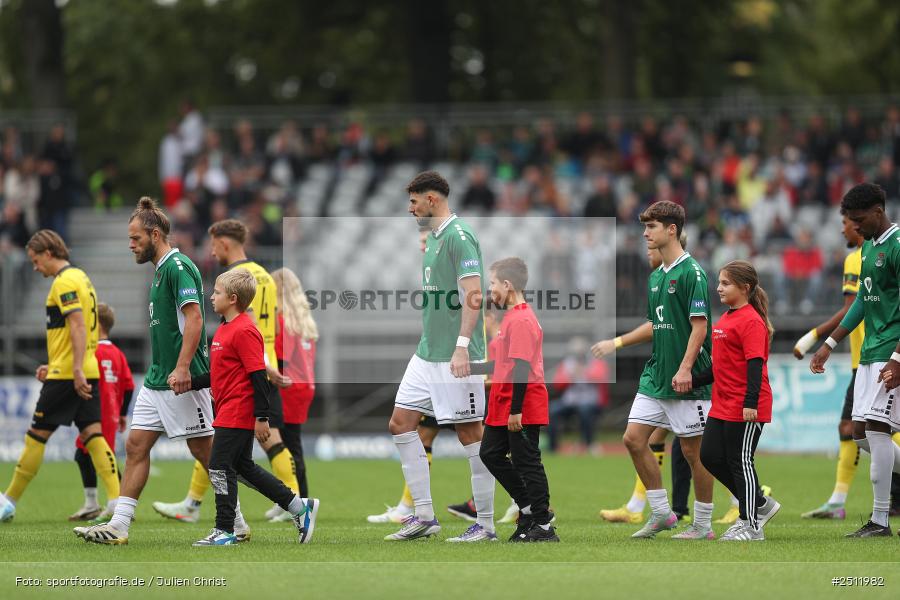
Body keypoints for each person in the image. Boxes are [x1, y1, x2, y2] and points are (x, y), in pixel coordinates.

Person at [75, 197, 249, 545]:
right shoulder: (160, 271)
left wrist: (183, 368)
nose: (131, 244)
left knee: (207, 454)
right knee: (136, 446)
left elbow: (194, 319)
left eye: (135, 238)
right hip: (158, 380)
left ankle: (238, 522)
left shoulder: (178, 266)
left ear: (155, 235)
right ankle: (119, 526)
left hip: (182, 380)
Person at [152, 219, 299, 523]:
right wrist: (194, 382)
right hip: (250, 373)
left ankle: (226, 520)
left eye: (214, 244)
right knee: (240, 455)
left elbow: (251, 335)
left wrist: (263, 377)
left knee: (223, 454)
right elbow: (268, 330)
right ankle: (295, 504)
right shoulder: (262, 280)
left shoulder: (239, 288)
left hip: (249, 379)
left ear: (225, 243)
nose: (211, 251)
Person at [385, 171, 495, 542]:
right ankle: (424, 516)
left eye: (414, 201)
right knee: (400, 423)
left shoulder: (459, 236)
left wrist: (462, 346)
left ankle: (487, 524)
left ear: (432, 200)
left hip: (456, 355)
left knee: (470, 433)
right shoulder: (433, 238)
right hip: (427, 353)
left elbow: (474, 295)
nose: (410, 208)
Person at [186, 269, 318, 546]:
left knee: (219, 467)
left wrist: (262, 416)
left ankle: (225, 529)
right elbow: (219, 374)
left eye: (217, 292)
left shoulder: (245, 330)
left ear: (233, 299)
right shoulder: (225, 328)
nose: (212, 297)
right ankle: (299, 508)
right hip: (228, 409)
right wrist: (190, 383)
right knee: (243, 468)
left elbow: (259, 377)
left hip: (238, 410)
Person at [0, 231, 119, 523]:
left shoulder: (64, 282)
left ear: (49, 253)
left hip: (69, 374)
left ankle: (8, 502)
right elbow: (74, 329)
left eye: (36, 260)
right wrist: (58, 364)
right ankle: (118, 500)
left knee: (36, 436)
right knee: (93, 435)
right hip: (85, 368)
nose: (35, 267)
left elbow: (77, 325)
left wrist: (72, 368)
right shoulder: (82, 277)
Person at [622, 200, 717, 540]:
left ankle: (703, 525)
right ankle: (662, 513)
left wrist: (686, 368)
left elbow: (700, 327)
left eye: (651, 227)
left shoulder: (692, 273)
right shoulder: (655, 276)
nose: (645, 233)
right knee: (633, 439)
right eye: (645, 227)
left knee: (693, 452)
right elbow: (657, 324)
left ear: (671, 229)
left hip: (686, 379)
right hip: (656, 376)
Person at [810, 183, 900, 537]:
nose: (856, 227)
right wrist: (830, 342)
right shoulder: (868, 249)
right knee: (859, 433)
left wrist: (897, 358)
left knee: (877, 431)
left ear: (878, 212)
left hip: (890, 351)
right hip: (868, 354)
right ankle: (879, 519)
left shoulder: (897, 245)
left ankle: (880, 521)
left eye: (860, 220)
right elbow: (862, 300)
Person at [467, 257, 558, 542]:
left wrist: (516, 410)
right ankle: (529, 510)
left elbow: (521, 368)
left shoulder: (520, 319)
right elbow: (505, 364)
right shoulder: (512, 317)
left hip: (521, 402)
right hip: (504, 400)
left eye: (493, 283)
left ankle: (543, 525)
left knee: (527, 462)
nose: (490, 289)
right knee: (490, 454)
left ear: (507, 285)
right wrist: (471, 368)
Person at [694, 261, 782, 541]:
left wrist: (750, 403)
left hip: (745, 405)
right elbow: (720, 366)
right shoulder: (726, 318)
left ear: (744, 288)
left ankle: (751, 525)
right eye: (719, 282)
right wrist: (690, 380)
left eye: (725, 283)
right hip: (722, 403)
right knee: (709, 456)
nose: (719, 288)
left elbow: (755, 366)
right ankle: (759, 503)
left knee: (740, 461)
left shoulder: (751, 321)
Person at [796, 214, 867, 519]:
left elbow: (852, 308)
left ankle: (839, 501)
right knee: (853, 427)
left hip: (871, 358)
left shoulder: (857, 259)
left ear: (859, 223)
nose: (842, 229)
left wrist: (815, 336)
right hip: (870, 357)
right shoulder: (884, 253)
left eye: (846, 223)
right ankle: (838, 500)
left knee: (870, 428)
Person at [69, 303, 135, 523]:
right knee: (99, 456)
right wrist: (123, 414)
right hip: (112, 412)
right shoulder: (117, 353)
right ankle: (112, 504)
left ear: (96, 324)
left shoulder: (91, 351)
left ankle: (115, 505)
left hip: (96, 412)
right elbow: (129, 386)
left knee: (95, 456)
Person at [270, 267, 318, 521]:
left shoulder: (282, 321)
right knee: (290, 444)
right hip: (304, 385)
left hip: (288, 387)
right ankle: (290, 498)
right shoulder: (303, 320)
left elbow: (280, 360)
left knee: (285, 447)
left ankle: (297, 501)